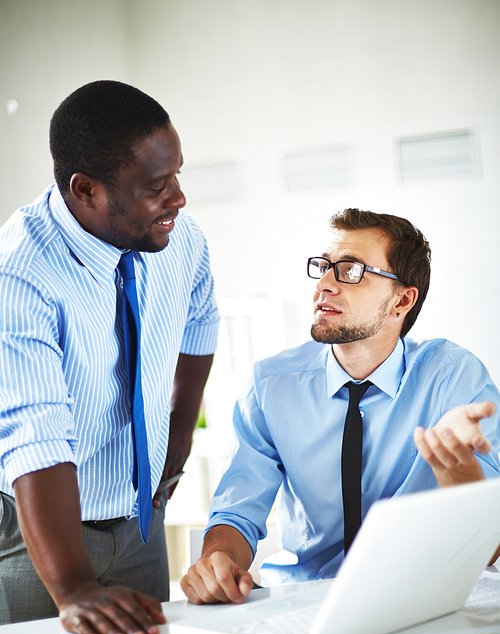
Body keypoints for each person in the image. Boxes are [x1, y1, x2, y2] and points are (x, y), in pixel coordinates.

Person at [0, 81, 219, 634]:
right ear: (86, 190)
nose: (178, 197)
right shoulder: (19, 273)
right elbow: (34, 430)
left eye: (177, 173)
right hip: (40, 535)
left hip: (138, 515)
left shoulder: (176, 238)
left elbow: (199, 321)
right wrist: (71, 586)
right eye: (158, 184)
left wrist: (176, 443)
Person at [181, 208, 500, 606]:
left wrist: (460, 469)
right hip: (302, 600)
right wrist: (218, 561)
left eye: (351, 271)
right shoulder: (271, 384)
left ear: (402, 299)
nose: (325, 285)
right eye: (324, 268)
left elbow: (489, 548)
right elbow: (237, 513)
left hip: (419, 601)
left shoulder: (453, 378)